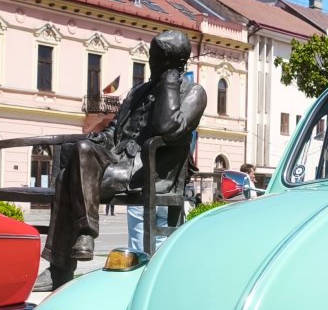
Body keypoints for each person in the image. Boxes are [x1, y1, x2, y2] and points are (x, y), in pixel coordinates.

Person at [42, 30, 206, 287]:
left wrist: (170, 82)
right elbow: (114, 131)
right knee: (82, 150)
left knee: (66, 178)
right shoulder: (137, 92)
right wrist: (100, 139)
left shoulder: (194, 93)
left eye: (156, 58)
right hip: (117, 160)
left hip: (148, 170)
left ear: (172, 63)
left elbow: (168, 127)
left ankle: (60, 269)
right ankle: (84, 236)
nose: (150, 62)